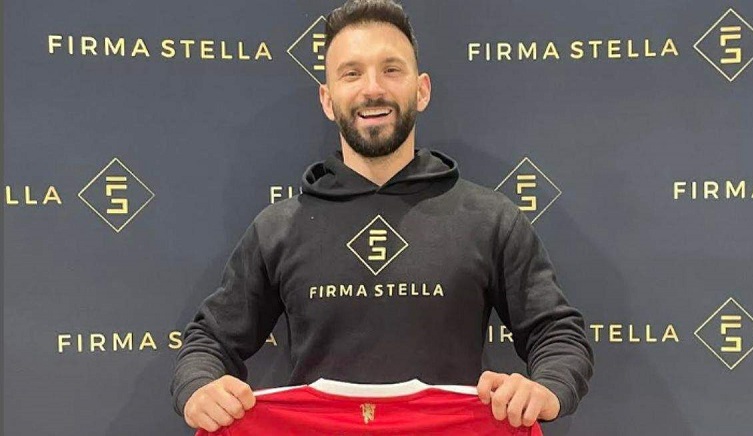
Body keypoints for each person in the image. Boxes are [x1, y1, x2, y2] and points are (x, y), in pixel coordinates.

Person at [170, 0, 594, 432]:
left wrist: (547, 388)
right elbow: (208, 342)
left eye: (391, 69)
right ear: (327, 99)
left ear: (422, 90)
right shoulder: (278, 228)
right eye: (351, 73)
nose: (372, 89)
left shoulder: (490, 219)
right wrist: (199, 387)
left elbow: (557, 335)